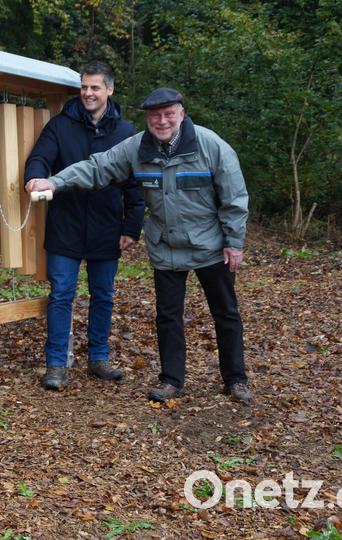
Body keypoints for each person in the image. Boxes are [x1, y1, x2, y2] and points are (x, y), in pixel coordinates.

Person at [26, 87, 253, 403]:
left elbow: (234, 198)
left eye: (168, 114)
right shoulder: (136, 148)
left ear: (181, 114)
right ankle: (172, 381)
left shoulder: (210, 145)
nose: (162, 121)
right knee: (168, 316)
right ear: (147, 118)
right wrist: (55, 181)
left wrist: (234, 243)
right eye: (155, 116)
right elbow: (98, 167)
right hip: (166, 245)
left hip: (210, 244)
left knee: (225, 312)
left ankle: (235, 379)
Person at [24, 61, 144, 390]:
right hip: (66, 225)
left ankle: (99, 358)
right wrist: (35, 177)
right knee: (62, 295)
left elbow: (135, 183)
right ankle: (56, 365)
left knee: (103, 295)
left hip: (107, 226)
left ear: (109, 90)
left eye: (95, 87)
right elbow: (40, 158)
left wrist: (132, 226)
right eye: (84, 87)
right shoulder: (60, 125)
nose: (88, 93)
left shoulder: (125, 132)